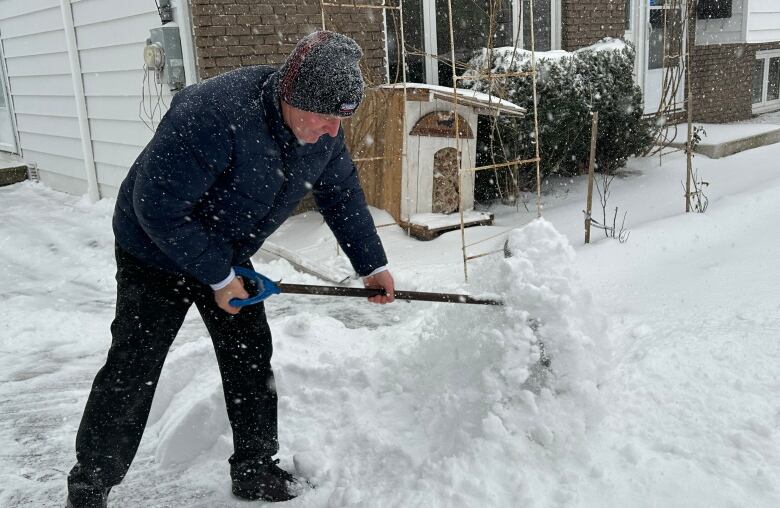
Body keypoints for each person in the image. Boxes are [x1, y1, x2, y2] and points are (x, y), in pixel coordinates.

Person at [66, 31, 395, 508]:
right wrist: (219, 278)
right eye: (322, 116)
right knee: (135, 363)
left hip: (226, 246)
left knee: (249, 357)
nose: (330, 130)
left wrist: (372, 264)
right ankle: (91, 481)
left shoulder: (322, 137)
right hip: (153, 248)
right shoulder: (212, 114)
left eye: (340, 120)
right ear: (289, 95)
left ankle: (255, 468)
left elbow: (341, 194)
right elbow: (156, 207)